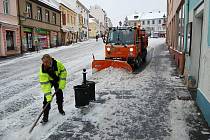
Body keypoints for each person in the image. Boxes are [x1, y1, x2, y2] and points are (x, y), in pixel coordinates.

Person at [39, 54, 67, 123]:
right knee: (46, 100)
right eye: (44, 62)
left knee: (59, 95)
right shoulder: (43, 70)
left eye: (46, 62)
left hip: (57, 80)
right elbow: (45, 85)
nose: (45, 64)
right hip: (49, 81)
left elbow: (63, 72)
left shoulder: (58, 64)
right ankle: (45, 117)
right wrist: (48, 96)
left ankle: (60, 109)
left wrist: (61, 83)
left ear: (50, 60)